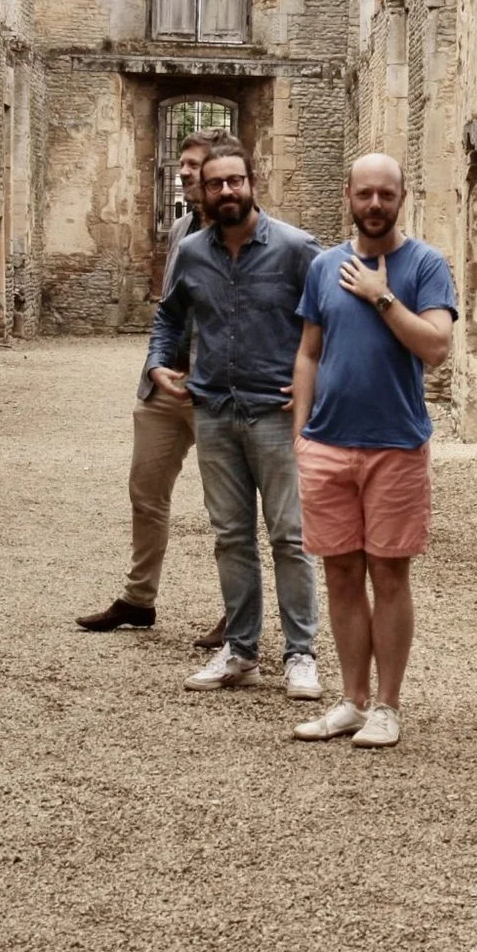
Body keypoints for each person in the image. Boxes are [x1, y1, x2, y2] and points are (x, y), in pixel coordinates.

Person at [287, 155, 457, 749]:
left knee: (388, 573)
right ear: (349, 196)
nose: (376, 204)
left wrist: (383, 298)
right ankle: (352, 700)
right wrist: (301, 435)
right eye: (366, 194)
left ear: (403, 197)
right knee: (339, 574)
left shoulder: (426, 265)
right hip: (329, 446)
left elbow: (436, 346)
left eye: (387, 194)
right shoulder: (324, 267)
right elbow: (308, 352)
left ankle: (388, 705)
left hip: (395, 446)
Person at [146, 140, 324, 697]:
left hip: (274, 413)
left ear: (253, 182)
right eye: (215, 184)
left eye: (235, 182)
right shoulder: (194, 253)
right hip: (214, 413)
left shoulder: (297, 249)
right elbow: (170, 316)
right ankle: (241, 649)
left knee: (290, 537)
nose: (226, 192)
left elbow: (334, 322)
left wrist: (315, 392)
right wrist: (157, 364)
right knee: (230, 536)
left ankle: (301, 654)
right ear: (199, 191)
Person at [81, 130, 224, 643]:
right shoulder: (183, 227)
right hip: (165, 387)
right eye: (181, 164)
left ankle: (238, 611)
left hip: (218, 392)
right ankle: (139, 599)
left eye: (194, 165)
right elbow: (171, 310)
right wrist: (158, 363)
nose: (184, 172)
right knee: (145, 492)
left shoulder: (251, 232)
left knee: (226, 507)